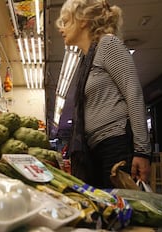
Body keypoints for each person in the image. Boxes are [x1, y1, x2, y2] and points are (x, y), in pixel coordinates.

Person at [56, 0, 151, 189]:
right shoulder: (85, 59)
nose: (61, 28)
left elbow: (133, 93)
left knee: (121, 211)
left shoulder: (108, 44)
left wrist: (142, 151)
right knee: (107, 212)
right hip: (94, 149)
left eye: (66, 21)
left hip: (115, 144)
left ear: (83, 20)